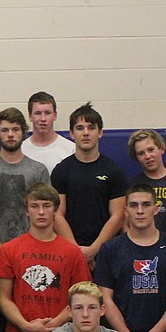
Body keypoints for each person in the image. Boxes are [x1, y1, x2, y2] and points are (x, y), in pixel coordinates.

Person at [0, 183, 91, 332]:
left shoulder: (73, 252)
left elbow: (81, 298)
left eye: (46, 206)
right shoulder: (9, 249)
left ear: (55, 210)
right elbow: (3, 298)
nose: (40, 212)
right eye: (34, 206)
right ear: (26, 211)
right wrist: (26, 326)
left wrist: (53, 325)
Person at [95, 183, 166, 332]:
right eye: (134, 205)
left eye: (146, 205)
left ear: (156, 209)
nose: (140, 211)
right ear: (126, 211)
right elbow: (105, 299)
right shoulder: (109, 249)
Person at [0, 107, 55, 288]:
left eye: (15, 129)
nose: (10, 134)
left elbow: (46, 213)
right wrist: (0, 251)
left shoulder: (38, 169)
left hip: (34, 256)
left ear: (23, 132)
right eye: (5, 130)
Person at [51, 102, 127, 265]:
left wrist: (93, 250)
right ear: (71, 133)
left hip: (105, 253)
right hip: (69, 253)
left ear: (100, 132)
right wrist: (77, 252)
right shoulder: (61, 170)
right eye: (79, 128)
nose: (85, 133)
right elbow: (57, 215)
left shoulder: (113, 171)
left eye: (91, 127)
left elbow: (118, 216)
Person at [126, 129, 166, 242]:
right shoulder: (132, 185)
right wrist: (136, 244)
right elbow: (124, 222)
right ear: (136, 158)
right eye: (141, 153)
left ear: (161, 148)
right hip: (140, 249)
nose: (147, 156)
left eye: (151, 150)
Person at [20, 91, 75, 174]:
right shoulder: (21, 150)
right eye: (38, 113)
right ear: (30, 117)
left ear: (55, 115)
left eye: (47, 113)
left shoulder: (71, 149)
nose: (43, 119)